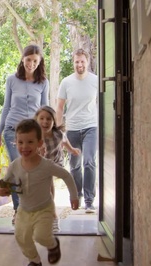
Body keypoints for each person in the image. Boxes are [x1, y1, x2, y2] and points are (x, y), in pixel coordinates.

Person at [0, 119, 79, 266]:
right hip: (23, 210)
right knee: (21, 237)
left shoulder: (46, 165)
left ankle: (53, 245)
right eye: (20, 142)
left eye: (30, 142)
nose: (24, 147)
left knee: (41, 236)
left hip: (44, 209)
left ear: (40, 143)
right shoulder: (15, 165)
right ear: (15, 143)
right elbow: (3, 183)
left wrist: (73, 196)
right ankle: (35, 262)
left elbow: (66, 175)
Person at [0, 44, 49, 224]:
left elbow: (44, 111)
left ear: (39, 61)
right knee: (18, 170)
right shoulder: (12, 80)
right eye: (28, 60)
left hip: (33, 134)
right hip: (12, 131)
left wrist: (44, 136)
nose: (31, 64)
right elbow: (6, 107)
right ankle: (19, 211)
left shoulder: (43, 83)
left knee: (31, 173)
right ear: (22, 59)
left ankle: (32, 210)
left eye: (35, 61)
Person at [56, 48, 98, 213]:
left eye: (82, 61)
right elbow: (59, 108)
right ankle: (77, 196)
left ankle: (89, 200)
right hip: (72, 128)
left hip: (90, 127)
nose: (79, 64)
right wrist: (59, 131)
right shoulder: (66, 82)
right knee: (74, 166)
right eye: (76, 61)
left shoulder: (95, 80)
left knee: (89, 161)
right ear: (73, 62)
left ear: (87, 62)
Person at [34, 105, 80, 231]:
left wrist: (72, 150)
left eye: (49, 119)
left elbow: (64, 142)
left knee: (48, 183)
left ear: (54, 121)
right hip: (39, 163)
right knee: (45, 186)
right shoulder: (34, 135)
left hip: (54, 162)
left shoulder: (57, 134)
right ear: (36, 120)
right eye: (42, 118)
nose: (45, 122)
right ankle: (46, 213)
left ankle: (52, 215)